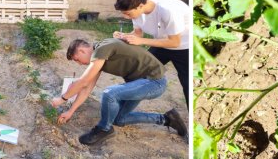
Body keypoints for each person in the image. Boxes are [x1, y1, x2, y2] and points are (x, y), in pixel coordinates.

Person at [51, 38, 187, 145]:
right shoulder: (99, 55)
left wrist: (62, 98)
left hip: (154, 82)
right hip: (139, 83)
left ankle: (104, 129)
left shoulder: (102, 49)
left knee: (108, 93)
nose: (80, 64)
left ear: (81, 51)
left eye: (77, 60)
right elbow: (86, 88)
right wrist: (70, 111)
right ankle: (168, 119)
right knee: (118, 119)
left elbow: (83, 81)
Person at [113, 0, 189, 109]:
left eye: (127, 13)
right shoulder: (137, 12)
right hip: (161, 43)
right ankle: (123, 108)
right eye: (123, 13)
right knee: (137, 72)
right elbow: (137, 34)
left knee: (188, 84)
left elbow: (175, 42)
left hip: (185, 47)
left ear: (140, 6)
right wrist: (124, 36)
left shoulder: (168, 11)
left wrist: (141, 41)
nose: (126, 17)